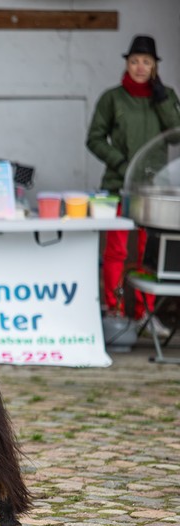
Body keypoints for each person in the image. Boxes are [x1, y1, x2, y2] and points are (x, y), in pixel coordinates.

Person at [86, 35, 180, 337]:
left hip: (153, 190)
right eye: (135, 61)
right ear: (127, 63)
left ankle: (144, 314)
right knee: (116, 250)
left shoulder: (166, 96)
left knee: (147, 253)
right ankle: (114, 309)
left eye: (147, 62)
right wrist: (123, 165)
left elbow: (176, 134)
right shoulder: (112, 98)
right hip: (117, 185)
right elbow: (95, 139)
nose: (140, 67)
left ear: (154, 67)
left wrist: (163, 99)